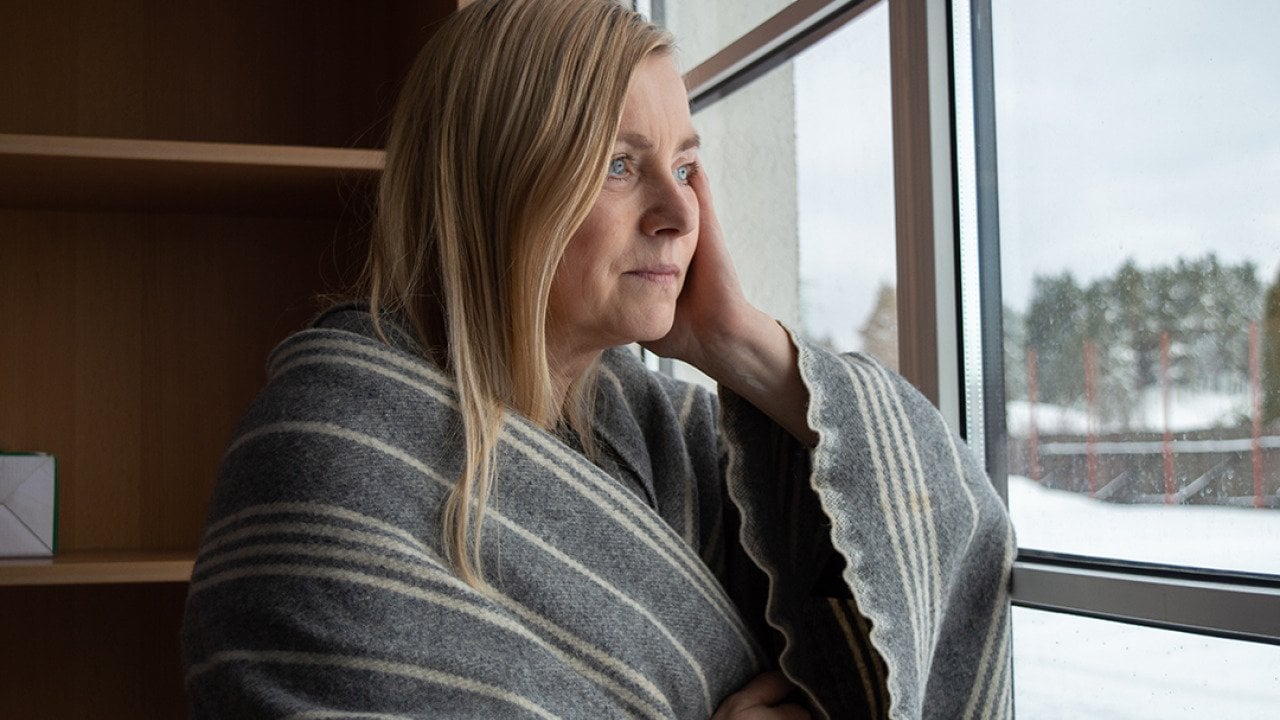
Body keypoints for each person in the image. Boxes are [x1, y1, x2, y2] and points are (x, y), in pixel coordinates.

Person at [181, 1, 1014, 718]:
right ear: (499, 186)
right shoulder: (336, 455)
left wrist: (738, 345)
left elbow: (952, 527)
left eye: (686, 167)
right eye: (620, 165)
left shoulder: (658, 431)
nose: (679, 213)